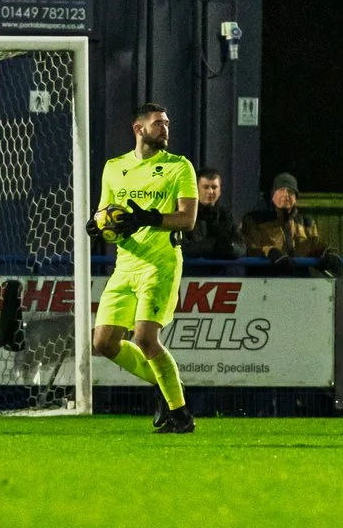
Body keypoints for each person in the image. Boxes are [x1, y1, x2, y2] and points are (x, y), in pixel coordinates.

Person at [89, 101, 200, 433]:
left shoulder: (179, 167)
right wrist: (96, 226)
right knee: (103, 342)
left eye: (167, 123)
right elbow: (104, 212)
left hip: (159, 263)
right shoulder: (113, 167)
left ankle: (181, 416)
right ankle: (167, 389)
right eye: (158, 123)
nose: (165, 128)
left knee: (145, 339)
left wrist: (149, 218)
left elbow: (188, 219)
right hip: (125, 264)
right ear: (139, 129)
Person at [240, 173, 331, 271]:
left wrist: (327, 253)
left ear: (295, 198)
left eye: (291, 192)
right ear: (272, 195)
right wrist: (270, 252)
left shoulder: (307, 223)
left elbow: (316, 247)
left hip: (300, 281)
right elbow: (250, 248)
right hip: (265, 279)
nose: (286, 195)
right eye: (281, 190)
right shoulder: (255, 220)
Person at [177, 172, 242, 261]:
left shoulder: (226, 215)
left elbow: (241, 247)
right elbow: (182, 247)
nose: (210, 191)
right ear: (196, 189)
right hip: (191, 271)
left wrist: (230, 247)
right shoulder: (185, 214)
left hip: (222, 272)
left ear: (220, 190)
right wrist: (214, 246)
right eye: (206, 187)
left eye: (214, 187)